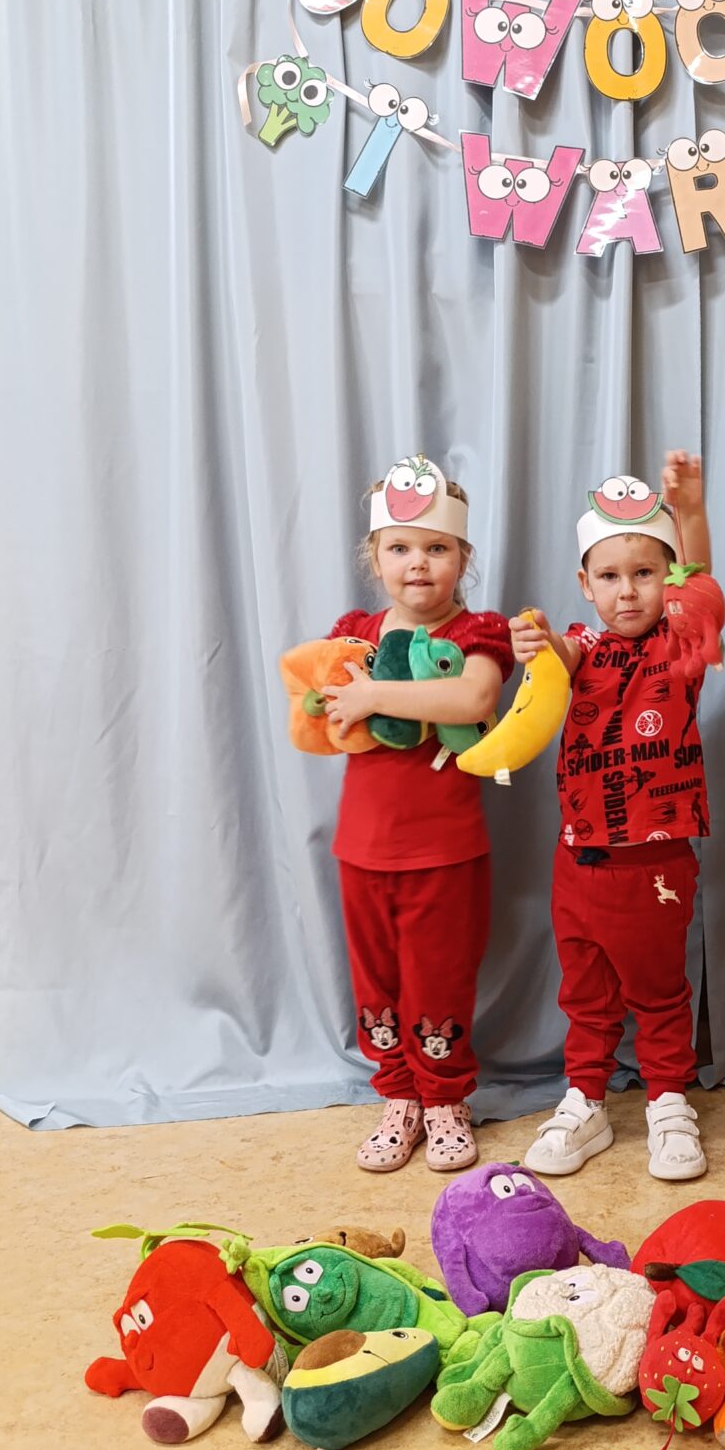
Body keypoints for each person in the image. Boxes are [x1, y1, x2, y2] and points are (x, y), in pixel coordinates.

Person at [512, 453, 719, 1181]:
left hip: (656, 862)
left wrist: (690, 513)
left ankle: (668, 1099)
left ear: (667, 578)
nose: (627, 590)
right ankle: (587, 1099)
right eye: (609, 576)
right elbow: (559, 653)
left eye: (645, 573)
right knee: (585, 991)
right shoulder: (583, 645)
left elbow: (700, 583)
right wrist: (536, 643)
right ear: (586, 584)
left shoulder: (680, 643)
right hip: (578, 859)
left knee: (660, 991)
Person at [321, 455, 513, 1174]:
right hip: (361, 848)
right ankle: (398, 1096)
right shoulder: (354, 632)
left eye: (437, 548)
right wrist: (347, 703)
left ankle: (444, 1100)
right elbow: (326, 715)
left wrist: (374, 697)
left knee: (440, 982)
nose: (418, 563)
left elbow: (472, 699)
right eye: (400, 548)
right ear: (375, 559)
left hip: (445, 852)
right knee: (376, 986)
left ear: (463, 558)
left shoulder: (478, 633)